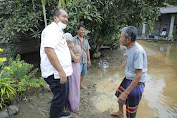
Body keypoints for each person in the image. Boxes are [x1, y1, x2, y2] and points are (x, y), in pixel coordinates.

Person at [40, 8, 73, 118]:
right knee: (59, 98)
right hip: (55, 73)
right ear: (55, 18)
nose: (66, 19)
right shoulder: (51, 30)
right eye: (63, 16)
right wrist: (60, 71)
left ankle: (60, 113)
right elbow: (49, 50)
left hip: (60, 72)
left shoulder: (58, 31)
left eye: (67, 17)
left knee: (62, 95)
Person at [110, 26, 147, 118]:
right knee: (119, 95)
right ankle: (120, 113)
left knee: (131, 111)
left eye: (121, 36)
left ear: (128, 39)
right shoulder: (129, 46)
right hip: (128, 78)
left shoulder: (138, 51)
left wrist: (126, 93)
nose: (120, 38)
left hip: (136, 82)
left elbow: (138, 75)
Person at [63, 33, 82, 112]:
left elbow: (76, 60)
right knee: (66, 86)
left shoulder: (77, 47)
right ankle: (67, 104)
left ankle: (75, 105)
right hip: (65, 68)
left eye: (69, 42)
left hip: (74, 67)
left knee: (74, 86)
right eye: (65, 42)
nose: (67, 44)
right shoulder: (62, 48)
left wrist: (70, 50)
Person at [73, 24, 91, 90]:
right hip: (77, 60)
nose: (83, 31)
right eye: (81, 30)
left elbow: (87, 50)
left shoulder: (86, 40)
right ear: (78, 30)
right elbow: (70, 49)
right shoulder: (74, 39)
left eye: (84, 30)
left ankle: (81, 84)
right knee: (77, 74)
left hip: (84, 60)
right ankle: (76, 86)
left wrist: (89, 60)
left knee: (83, 73)